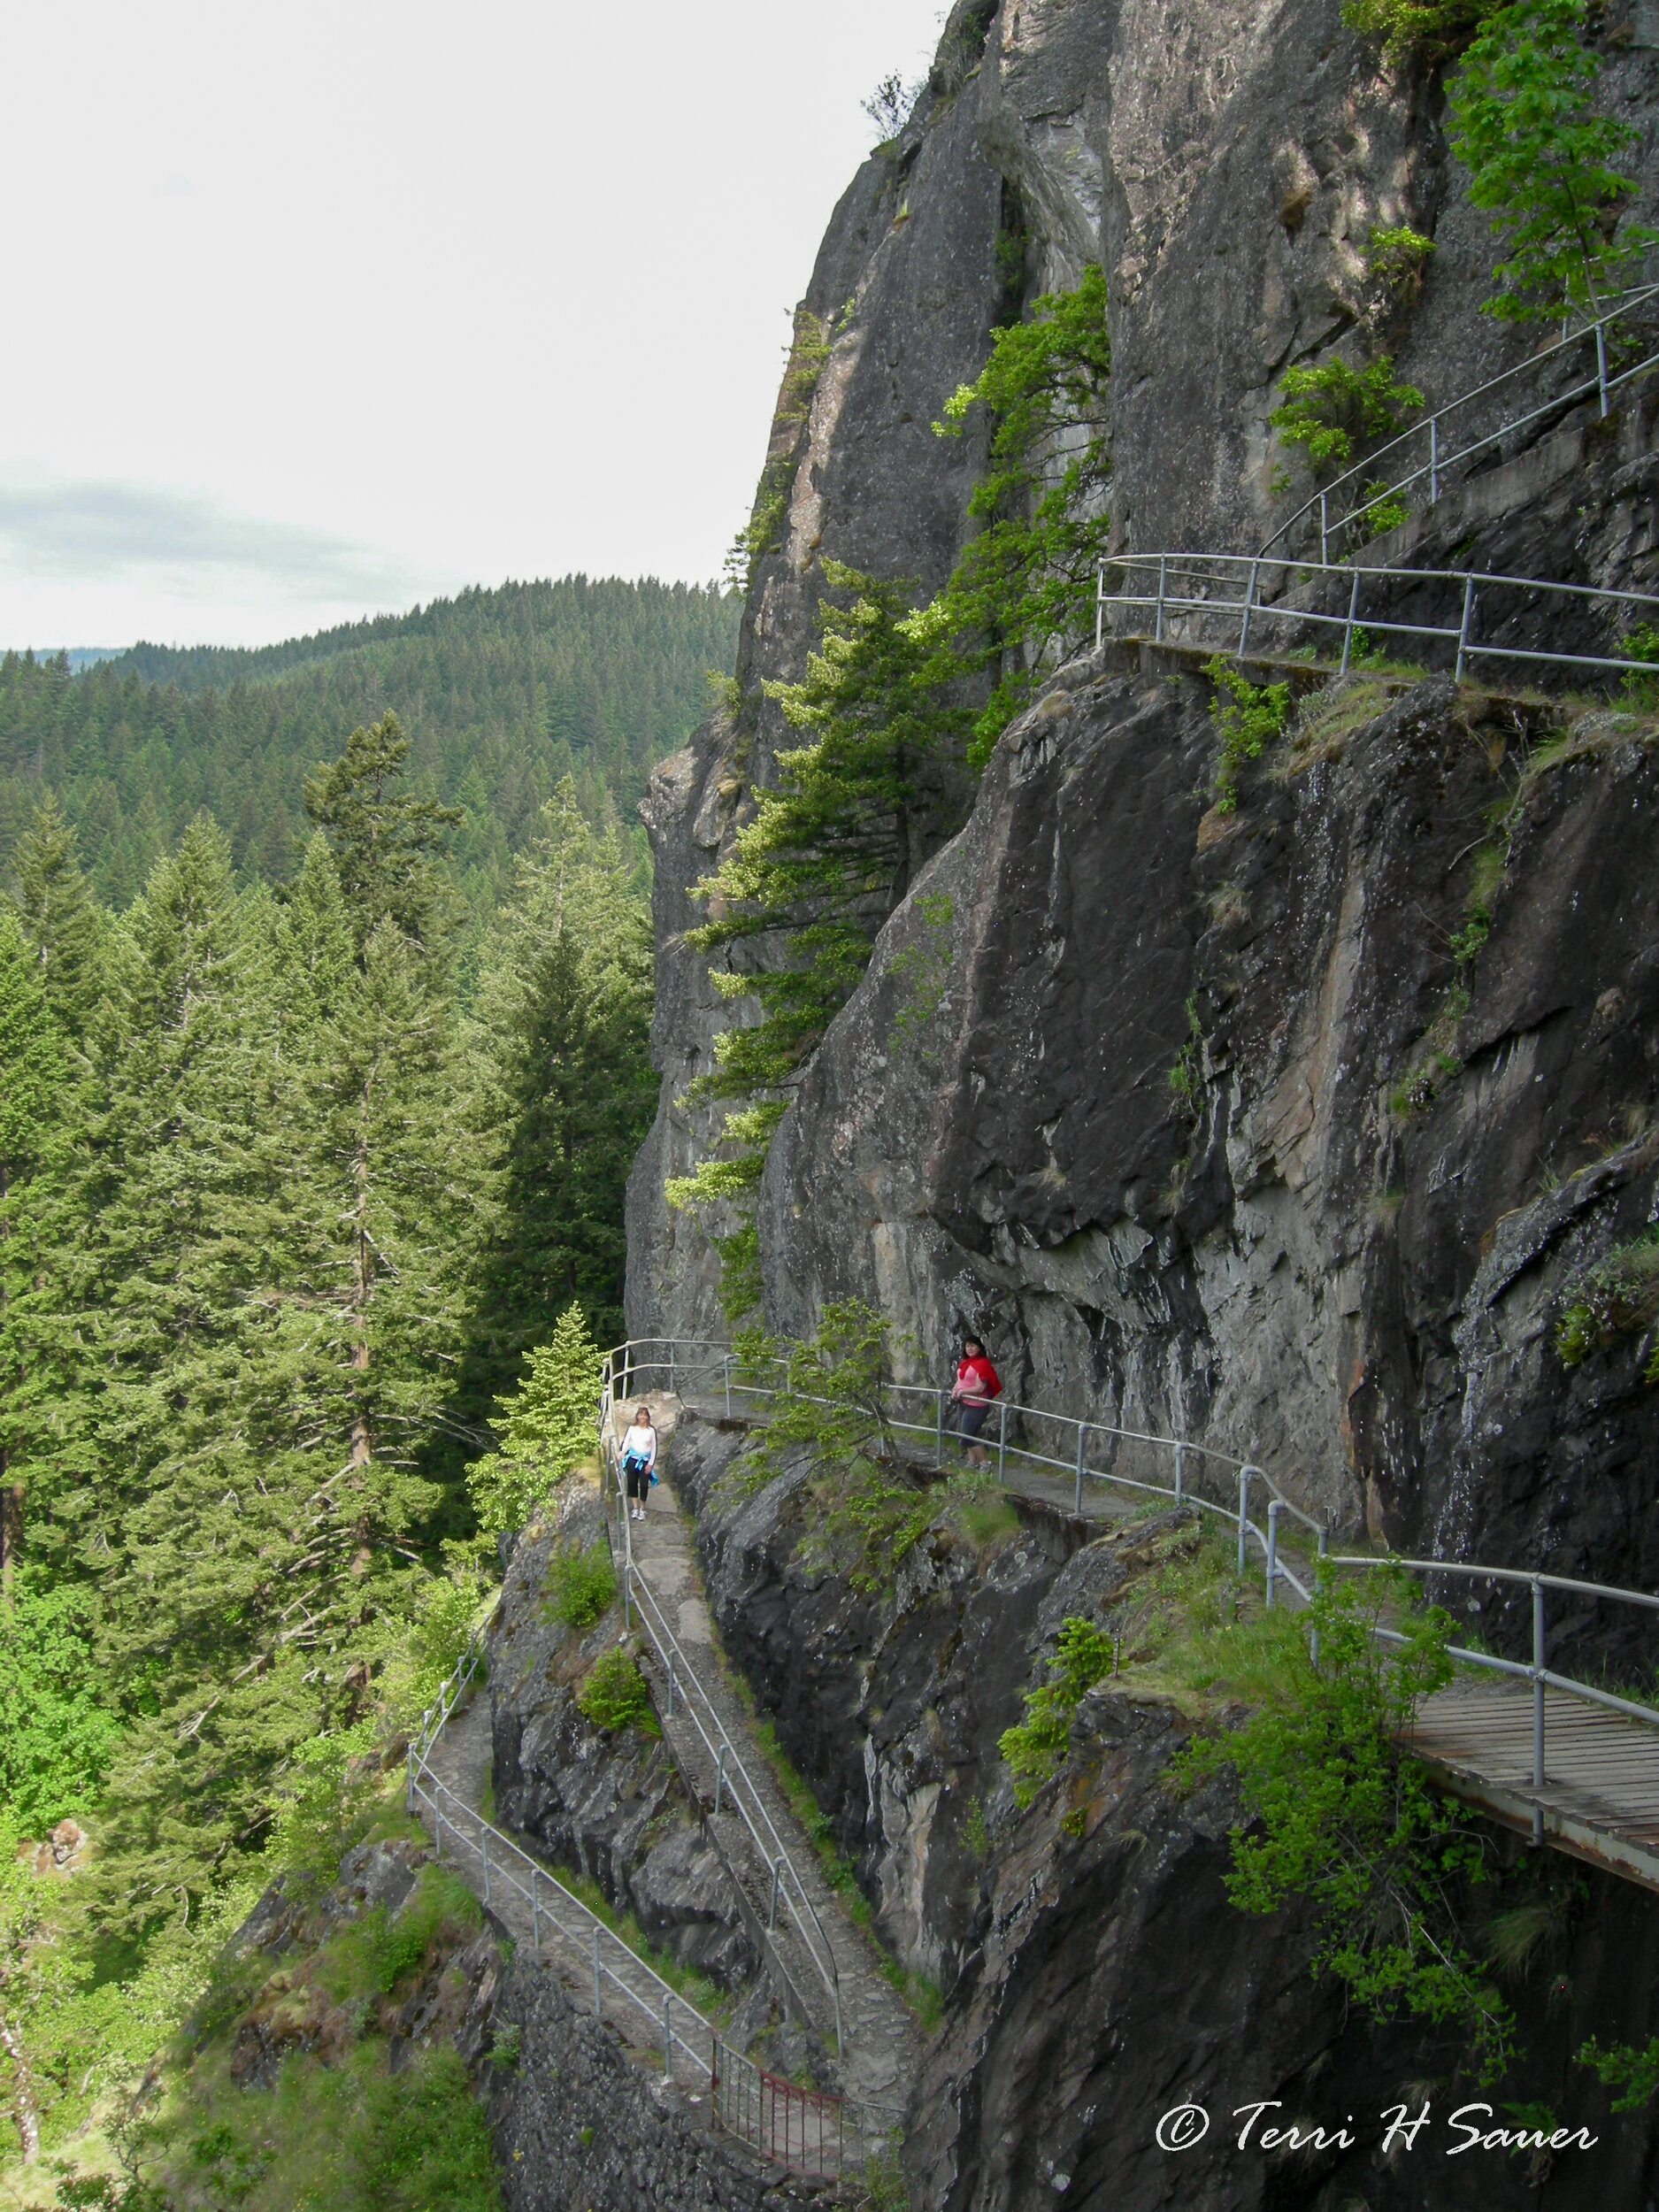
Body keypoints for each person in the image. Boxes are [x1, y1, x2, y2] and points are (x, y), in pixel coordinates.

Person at [950, 1337, 1002, 1469]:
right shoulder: (966, 1362)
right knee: (966, 1432)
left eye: (973, 1346)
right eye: (968, 1346)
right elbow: (960, 1380)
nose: (970, 1349)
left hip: (977, 1405)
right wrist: (955, 1390)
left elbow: (981, 1388)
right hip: (964, 1403)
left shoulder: (983, 1364)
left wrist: (962, 1392)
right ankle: (972, 1462)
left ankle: (986, 1462)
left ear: (979, 1347)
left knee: (967, 1435)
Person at [620, 1403, 657, 1520]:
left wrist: (651, 1463)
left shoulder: (651, 1431)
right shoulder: (632, 1429)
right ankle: (635, 1508)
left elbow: (654, 1448)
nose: (642, 1417)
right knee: (632, 1483)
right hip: (633, 1459)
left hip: (645, 1460)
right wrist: (622, 1452)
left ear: (647, 1417)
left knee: (644, 1485)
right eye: (640, 1415)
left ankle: (643, 1509)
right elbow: (627, 1442)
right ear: (637, 1416)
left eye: (645, 1415)